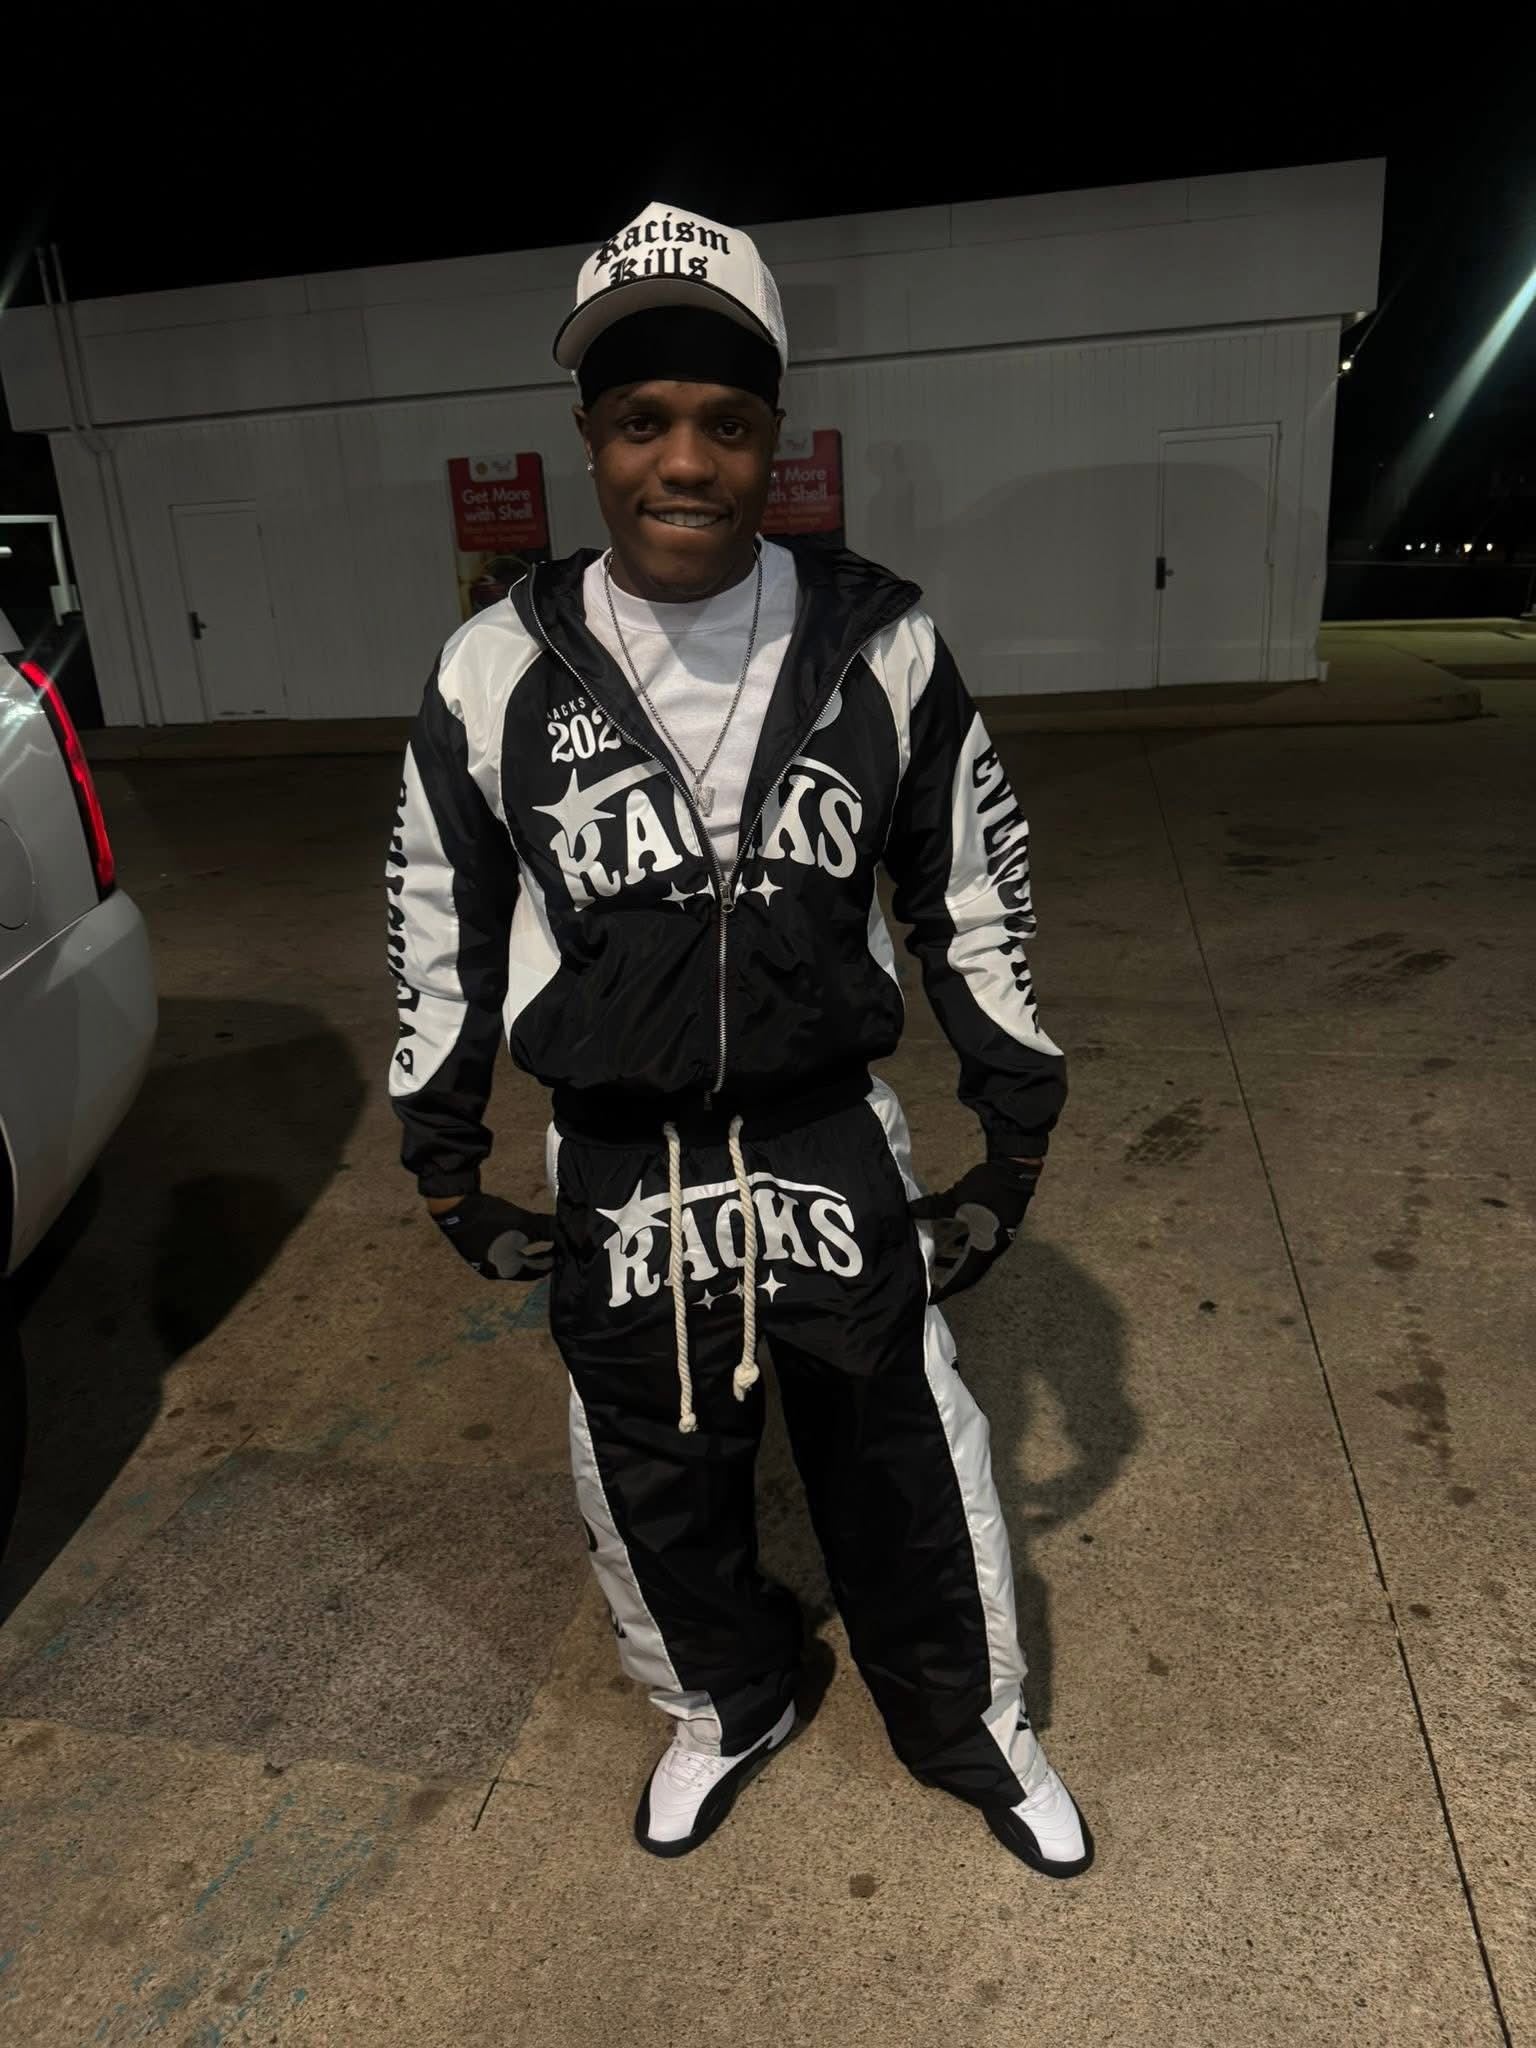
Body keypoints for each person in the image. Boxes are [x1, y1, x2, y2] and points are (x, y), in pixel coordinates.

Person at [387, 201, 1092, 1877]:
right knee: (649, 1470)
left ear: (776, 436)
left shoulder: (882, 644)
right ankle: (726, 1704)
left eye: (725, 422)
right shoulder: (495, 665)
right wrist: (445, 1163)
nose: (684, 462)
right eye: (643, 421)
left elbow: (969, 894)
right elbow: (437, 923)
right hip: (616, 1150)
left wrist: (1013, 1133)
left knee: (905, 1453)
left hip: (823, 1128)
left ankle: (969, 1728)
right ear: (588, 437)